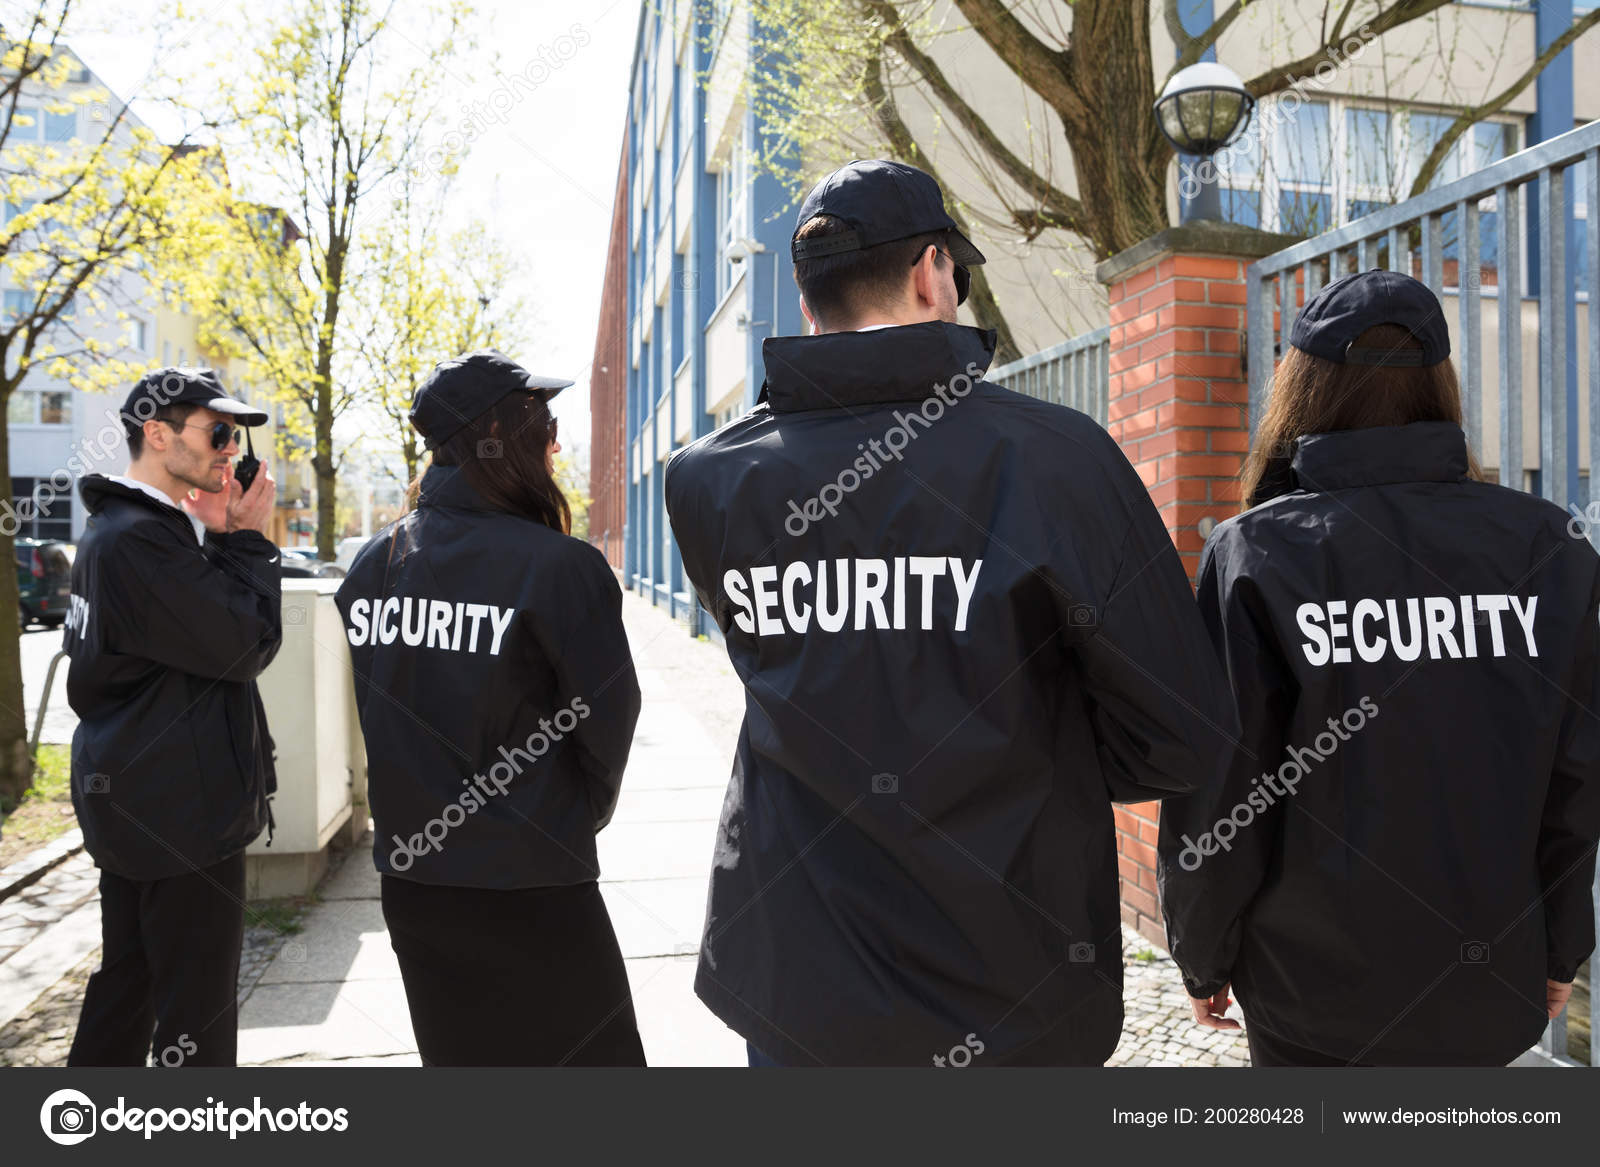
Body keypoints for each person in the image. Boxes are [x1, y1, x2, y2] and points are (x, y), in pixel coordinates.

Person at [663, 159, 1234, 1067]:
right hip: (1012, 985)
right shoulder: (1059, 461)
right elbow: (1185, 731)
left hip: (795, 981)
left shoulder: (707, 478)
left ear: (811, 306)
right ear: (934, 273)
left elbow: (788, 663)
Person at [1158, 270, 1600, 1067]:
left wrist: (1203, 949)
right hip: (1483, 980)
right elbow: (1577, 778)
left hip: (1309, 992)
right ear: (1441, 385)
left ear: (1302, 387)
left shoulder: (1260, 551)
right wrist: (1560, 949)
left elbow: (1222, 785)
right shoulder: (1545, 546)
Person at [334, 351, 645, 1067]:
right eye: (546, 424)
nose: (557, 443)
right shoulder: (557, 566)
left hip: (416, 886)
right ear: (502, 436)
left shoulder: (372, 566)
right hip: (534, 884)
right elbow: (608, 721)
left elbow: (381, 720)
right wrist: (568, 813)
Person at [65, 367, 281, 1068]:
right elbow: (246, 642)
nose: (229, 451)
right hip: (178, 814)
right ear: (157, 434)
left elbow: (194, 637)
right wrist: (250, 539)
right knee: (196, 1012)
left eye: (233, 437)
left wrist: (219, 539)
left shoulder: (126, 531)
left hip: (142, 799)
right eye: (217, 431)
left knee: (129, 984)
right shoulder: (140, 541)